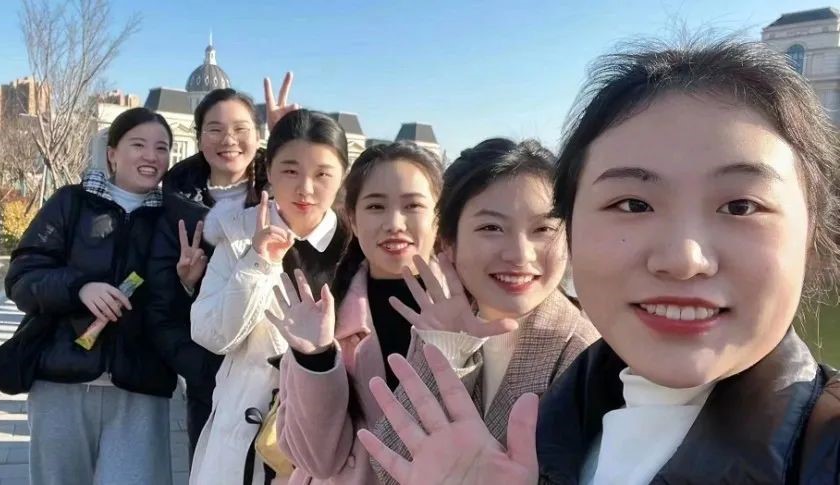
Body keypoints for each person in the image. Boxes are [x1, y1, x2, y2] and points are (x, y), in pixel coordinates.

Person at [358, 38, 840, 484]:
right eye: (633, 204)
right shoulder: (579, 409)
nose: (682, 259)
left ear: (814, 233)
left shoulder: (826, 446)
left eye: (741, 206)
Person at [366, 138, 598, 484]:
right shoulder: (443, 326)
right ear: (449, 243)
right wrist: (449, 348)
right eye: (491, 228)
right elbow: (390, 467)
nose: (520, 255)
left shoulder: (586, 357)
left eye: (544, 229)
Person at [269, 141, 479, 484]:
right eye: (376, 206)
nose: (394, 223)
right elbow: (316, 462)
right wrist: (315, 361)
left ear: (439, 217)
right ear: (353, 218)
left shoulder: (474, 307)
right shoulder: (325, 315)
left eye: (413, 205)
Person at [4, 107, 175, 484]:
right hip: (61, 381)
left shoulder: (172, 218)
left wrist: (188, 281)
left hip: (141, 385)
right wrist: (78, 288)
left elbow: (177, 306)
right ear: (112, 153)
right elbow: (22, 277)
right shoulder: (72, 203)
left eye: (162, 148)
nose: (151, 156)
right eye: (138, 145)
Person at [189, 109, 351, 484]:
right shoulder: (239, 234)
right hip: (244, 430)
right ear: (270, 171)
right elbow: (211, 335)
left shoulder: (355, 248)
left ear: (342, 175)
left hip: (327, 441)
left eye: (322, 174)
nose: (305, 188)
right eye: (290, 171)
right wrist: (258, 263)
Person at [146, 76, 294, 458]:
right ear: (198, 139)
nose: (229, 139)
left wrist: (288, 145)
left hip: (282, 380)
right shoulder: (175, 211)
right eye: (215, 129)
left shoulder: (285, 196)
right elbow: (160, 309)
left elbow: (329, 216)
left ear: (258, 136)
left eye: (241, 129)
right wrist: (187, 285)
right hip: (210, 383)